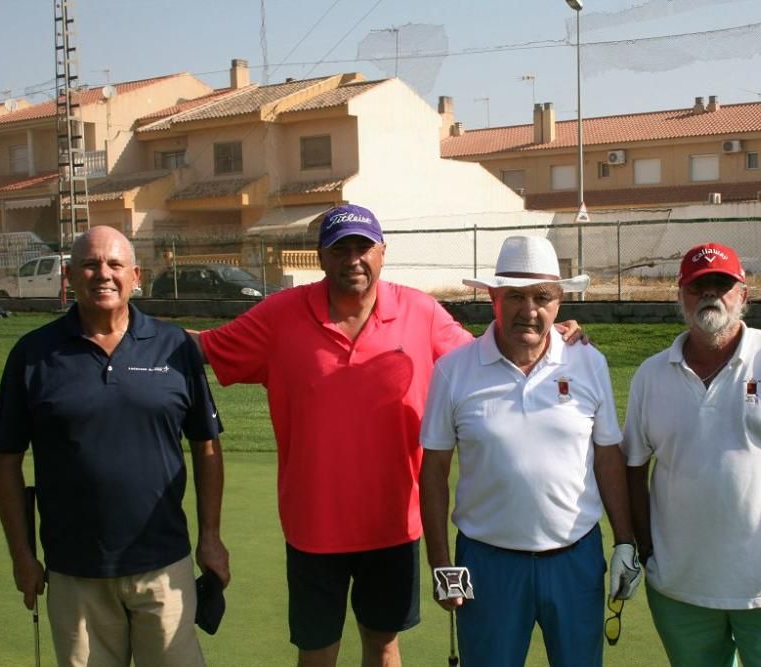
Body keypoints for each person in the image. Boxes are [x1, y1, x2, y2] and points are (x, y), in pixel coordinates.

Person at [194, 205, 584, 667]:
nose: (353, 259)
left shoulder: (419, 311)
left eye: (364, 248)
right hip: (313, 525)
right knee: (316, 650)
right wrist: (126, 332)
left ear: (383, 253)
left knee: (383, 646)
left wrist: (551, 340)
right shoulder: (280, 315)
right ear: (321, 257)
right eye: (341, 249)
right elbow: (203, 346)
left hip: (394, 523)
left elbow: (484, 358)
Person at [0, 226, 229, 667]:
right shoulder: (33, 354)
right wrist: (22, 556)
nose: (103, 274)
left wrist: (210, 538)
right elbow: (5, 460)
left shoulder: (174, 346)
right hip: (74, 572)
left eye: (115, 264)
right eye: (90, 264)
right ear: (70, 275)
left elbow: (206, 445)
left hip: (164, 567)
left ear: (135, 276)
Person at [419, 235, 641, 667]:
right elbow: (434, 470)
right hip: (487, 566)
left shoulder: (588, 362)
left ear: (559, 303)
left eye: (542, 297)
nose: (530, 310)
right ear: (492, 299)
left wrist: (625, 542)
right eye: (515, 296)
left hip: (575, 560)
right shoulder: (453, 371)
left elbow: (608, 454)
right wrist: (440, 562)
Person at [622, 242, 761, 666]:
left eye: (722, 285)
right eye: (697, 286)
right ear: (680, 296)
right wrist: (645, 548)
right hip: (680, 589)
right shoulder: (651, 374)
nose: (710, 295)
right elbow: (634, 466)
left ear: (743, 294)